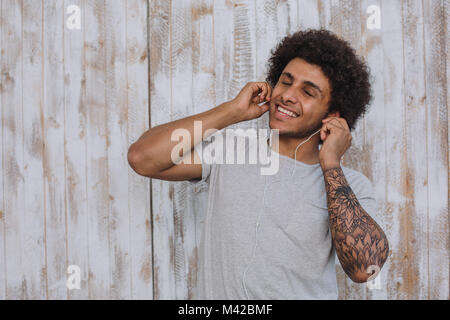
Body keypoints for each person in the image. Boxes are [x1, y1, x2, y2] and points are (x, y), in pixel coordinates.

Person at [128, 29, 389, 299]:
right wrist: (232, 111)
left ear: (333, 115)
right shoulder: (230, 151)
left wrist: (331, 164)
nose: (287, 95)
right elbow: (143, 158)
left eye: (308, 92)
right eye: (285, 82)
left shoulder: (350, 186)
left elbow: (363, 269)